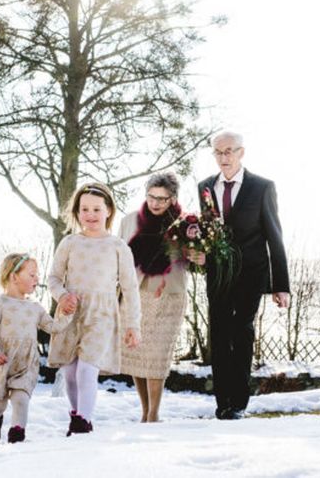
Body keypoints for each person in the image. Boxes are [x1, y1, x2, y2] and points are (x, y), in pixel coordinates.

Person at [194, 131, 290, 420]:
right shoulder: (205, 187)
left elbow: (275, 236)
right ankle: (222, 403)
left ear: (241, 153)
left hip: (252, 272)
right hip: (218, 274)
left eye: (228, 152)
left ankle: (238, 402)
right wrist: (199, 255)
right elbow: (207, 234)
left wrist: (281, 285)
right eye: (218, 153)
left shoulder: (262, 187)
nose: (223, 158)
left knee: (242, 330)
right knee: (220, 334)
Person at [47, 182, 142, 435]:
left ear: (108, 211)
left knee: (88, 369)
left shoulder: (118, 246)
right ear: (77, 212)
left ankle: (81, 422)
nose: (90, 215)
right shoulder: (69, 243)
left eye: (96, 209)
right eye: (84, 209)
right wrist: (62, 295)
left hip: (102, 314)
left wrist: (133, 324)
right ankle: (79, 416)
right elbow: (54, 278)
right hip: (70, 312)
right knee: (69, 372)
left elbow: (131, 289)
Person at [0, 252, 77, 445]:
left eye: (37, 275)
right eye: (32, 275)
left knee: (21, 400)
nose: (37, 279)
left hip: (26, 363)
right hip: (1, 362)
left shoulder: (35, 308)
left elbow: (54, 327)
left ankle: (17, 438)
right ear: (14, 277)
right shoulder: (0, 303)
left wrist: (67, 314)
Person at [119, 172, 200, 423]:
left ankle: (154, 413)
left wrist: (197, 254)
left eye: (162, 199)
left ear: (173, 198)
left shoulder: (185, 224)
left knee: (157, 354)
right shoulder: (129, 221)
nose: (155, 203)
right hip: (135, 294)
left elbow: (196, 262)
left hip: (168, 295)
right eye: (151, 197)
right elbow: (119, 259)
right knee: (137, 355)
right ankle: (144, 410)